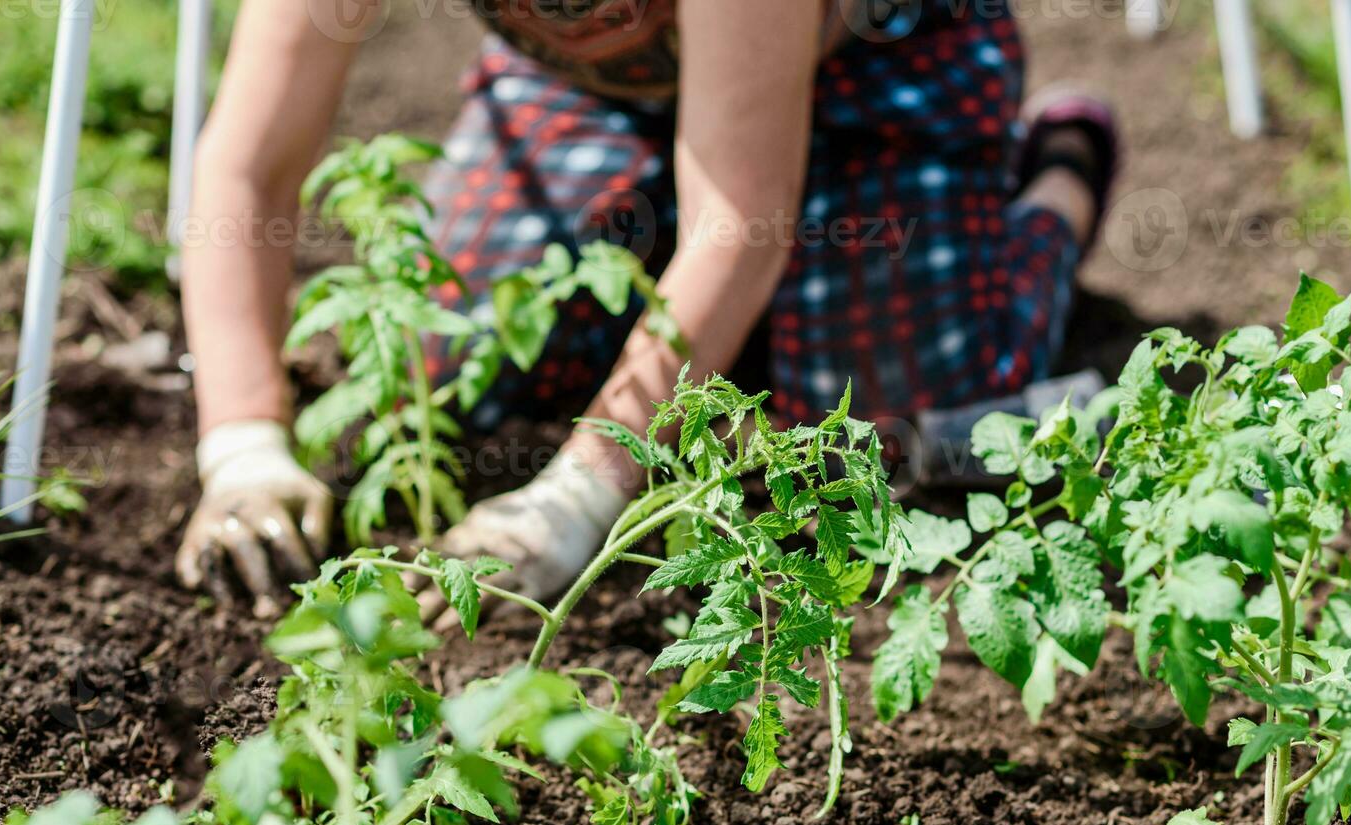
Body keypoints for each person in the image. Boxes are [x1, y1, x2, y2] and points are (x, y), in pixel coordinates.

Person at [174, 0, 1119, 615]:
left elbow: (743, 218)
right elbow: (246, 167)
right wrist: (244, 445)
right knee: (448, 365)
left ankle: (1058, 180)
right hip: (594, 91)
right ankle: (685, 266)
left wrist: (577, 494)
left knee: (880, 412)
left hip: (887, 69)